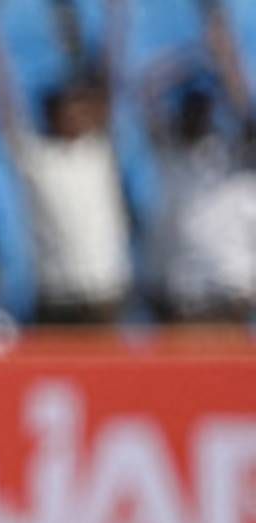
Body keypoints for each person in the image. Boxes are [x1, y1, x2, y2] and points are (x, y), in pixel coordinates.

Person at [0, 0, 132, 324]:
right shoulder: (37, 158)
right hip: (55, 300)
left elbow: (112, 75)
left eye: (81, 106)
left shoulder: (99, 150)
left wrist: (116, 16)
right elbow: (3, 99)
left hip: (105, 297)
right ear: (51, 113)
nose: (75, 115)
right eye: (67, 108)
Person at [143, 1, 256, 322]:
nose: (196, 114)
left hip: (232, 298)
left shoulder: (237, 155)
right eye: (191, 107)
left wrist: (225, 52)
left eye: (203, 107)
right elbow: (147, 94)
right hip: (186, 302)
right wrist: (194, 56)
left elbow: (245, 112)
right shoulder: (171, 158)